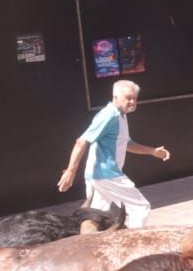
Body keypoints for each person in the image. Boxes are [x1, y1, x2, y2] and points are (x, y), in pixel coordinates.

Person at [57, 79, 169, 229]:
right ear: (115, 97)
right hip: (107, 175)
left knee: (96, 217)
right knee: (140, 208)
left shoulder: (121, 116)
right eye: (128, 98)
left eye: (134, 98)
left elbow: (128, 144)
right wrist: (71, 171)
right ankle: (132, 245)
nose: (132, 102)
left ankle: (91, 247)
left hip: (99, 176)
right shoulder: (110, 115)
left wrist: (152, 151)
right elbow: (81, 141)